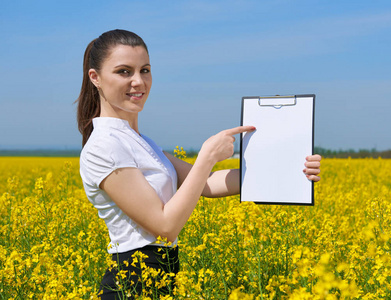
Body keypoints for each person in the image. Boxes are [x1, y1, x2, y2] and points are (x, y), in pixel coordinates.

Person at [76, 29, 321, 299]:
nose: (139, 81)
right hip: (131, 283)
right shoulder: (104, 147)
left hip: (160, 279)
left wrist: (288, 168)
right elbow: (165, 226)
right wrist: (207, 155)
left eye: (145, 70)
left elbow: (205, 183)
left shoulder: (139, 141)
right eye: (124, 72)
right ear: (95, 78)